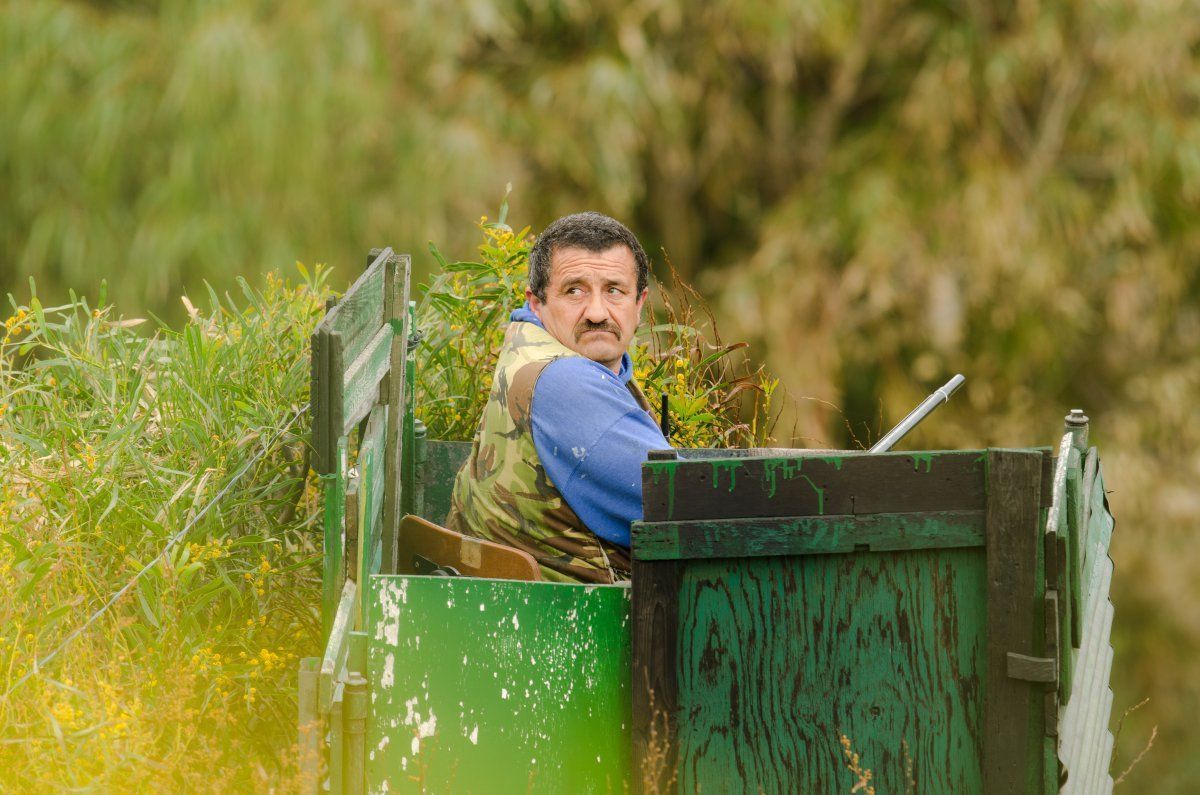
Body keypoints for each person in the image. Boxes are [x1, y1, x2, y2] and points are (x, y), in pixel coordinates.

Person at [445, 212, 670, 583]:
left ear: (639, 303)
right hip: (575, 623)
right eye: (574, 290)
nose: (597, 313)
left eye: (614, 290)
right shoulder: (567, 383)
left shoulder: (529, 346)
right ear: (537, 303)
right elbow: (679, 502)